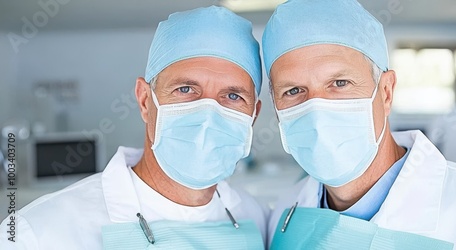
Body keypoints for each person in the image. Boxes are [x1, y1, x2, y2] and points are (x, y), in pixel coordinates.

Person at [1, 6, 267, 249]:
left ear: (252, 116)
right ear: (144, 100)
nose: (208, 115)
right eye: (185, 89)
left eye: (233, 96)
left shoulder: (255, 216)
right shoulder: (37, 234)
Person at [262, 0, 456, 249]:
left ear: (386, 92)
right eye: (293, 90)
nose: (317, 110)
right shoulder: (283, 213)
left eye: (340, 83)